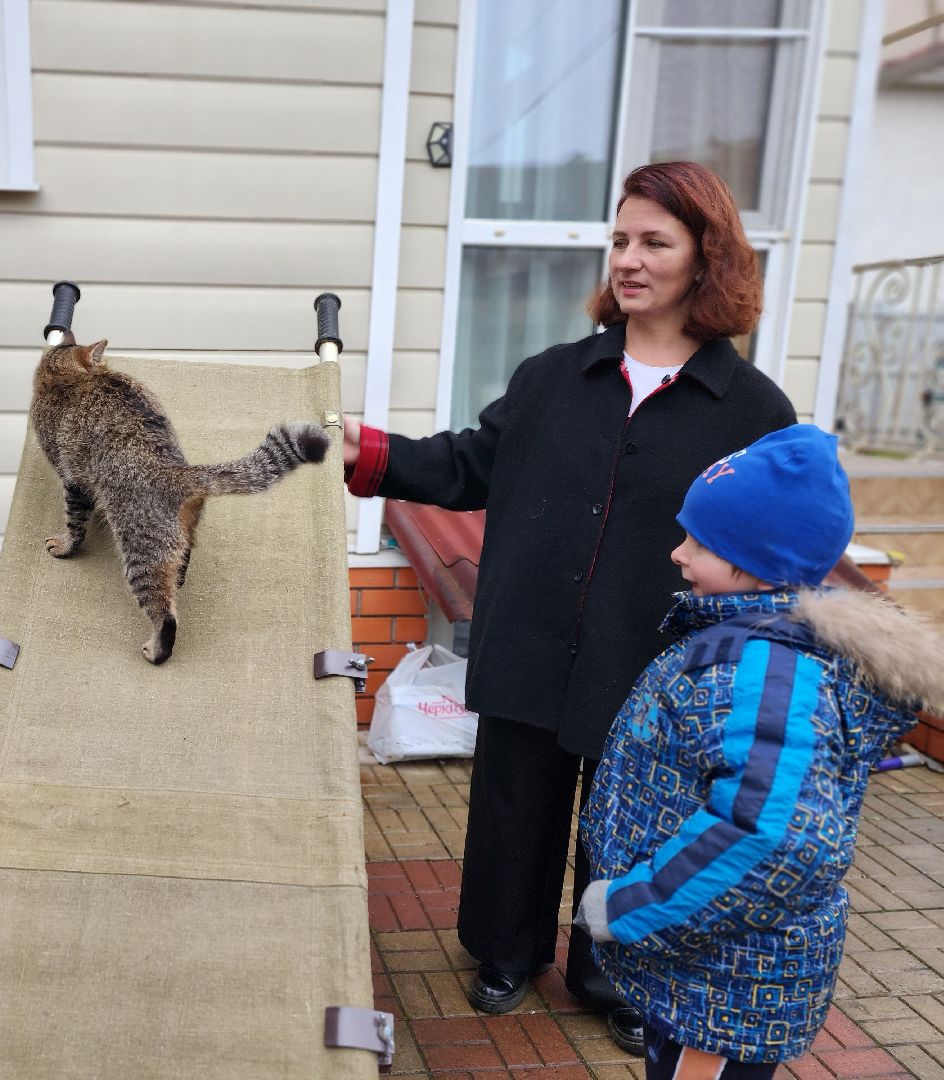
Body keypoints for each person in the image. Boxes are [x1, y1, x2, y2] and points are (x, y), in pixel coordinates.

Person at [341, 161, 797, 1053]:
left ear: (707, 261)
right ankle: (505, 951)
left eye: (653, 242)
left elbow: (775, 536)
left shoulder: (750, 408)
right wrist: (362, 451)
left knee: (628, 821)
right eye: (620, 240)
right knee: (515, 805)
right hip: (530, 633)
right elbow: (469, 463)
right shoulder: (555, 376)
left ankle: (610, 972)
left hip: (654, 654)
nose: (629, 259)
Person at [575, 424, 942, 1077]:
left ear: (754, 562)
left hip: (726, 979)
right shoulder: (750, 644)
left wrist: (633, 904)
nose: (677, 554)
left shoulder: (766, 672)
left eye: (699, 542)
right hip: (703, 954)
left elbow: (774, 836)